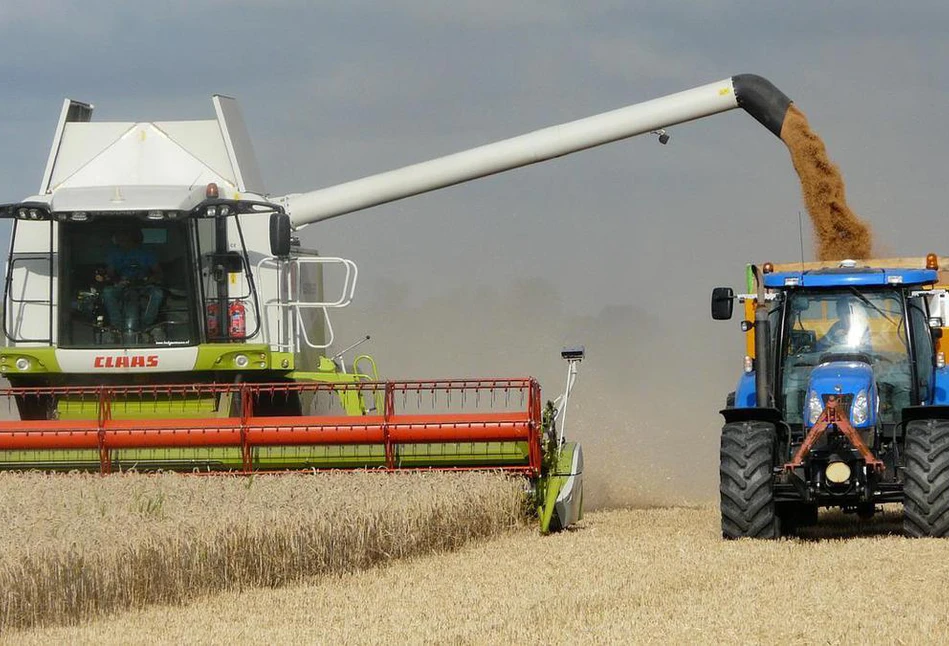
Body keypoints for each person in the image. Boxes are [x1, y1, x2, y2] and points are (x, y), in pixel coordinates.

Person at [99, 228, 164, 332]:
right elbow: (110, 273)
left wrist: (148, 280)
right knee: (107, 292)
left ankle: (147, 324)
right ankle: (117, 326)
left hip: (143, 284)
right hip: (122, 284)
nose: (123, 241)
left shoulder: (147, 252)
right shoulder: (114, 253)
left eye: (127, 237)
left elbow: (158, 272)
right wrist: (118, 280)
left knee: (158, 293)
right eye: (121, 238)